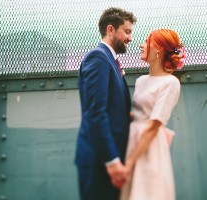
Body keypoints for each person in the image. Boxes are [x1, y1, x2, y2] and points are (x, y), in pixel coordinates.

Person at [75, 7, 137, 200]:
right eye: (127, 32)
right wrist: (111, 161)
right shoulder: (98, 57)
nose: (130, 38)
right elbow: (96, 112)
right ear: (110, 29)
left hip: (109, 157)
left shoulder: (110, 59)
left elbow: (113, 109)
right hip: (100, 161)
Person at [120, 29, 187, 200]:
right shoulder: (141, 81)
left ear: (159, 49)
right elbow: (137, 115)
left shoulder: (170, 83)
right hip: (132, 142)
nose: (141, 45)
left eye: (146, 41)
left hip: (149, 149)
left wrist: (129, 164)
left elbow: (154, 125)